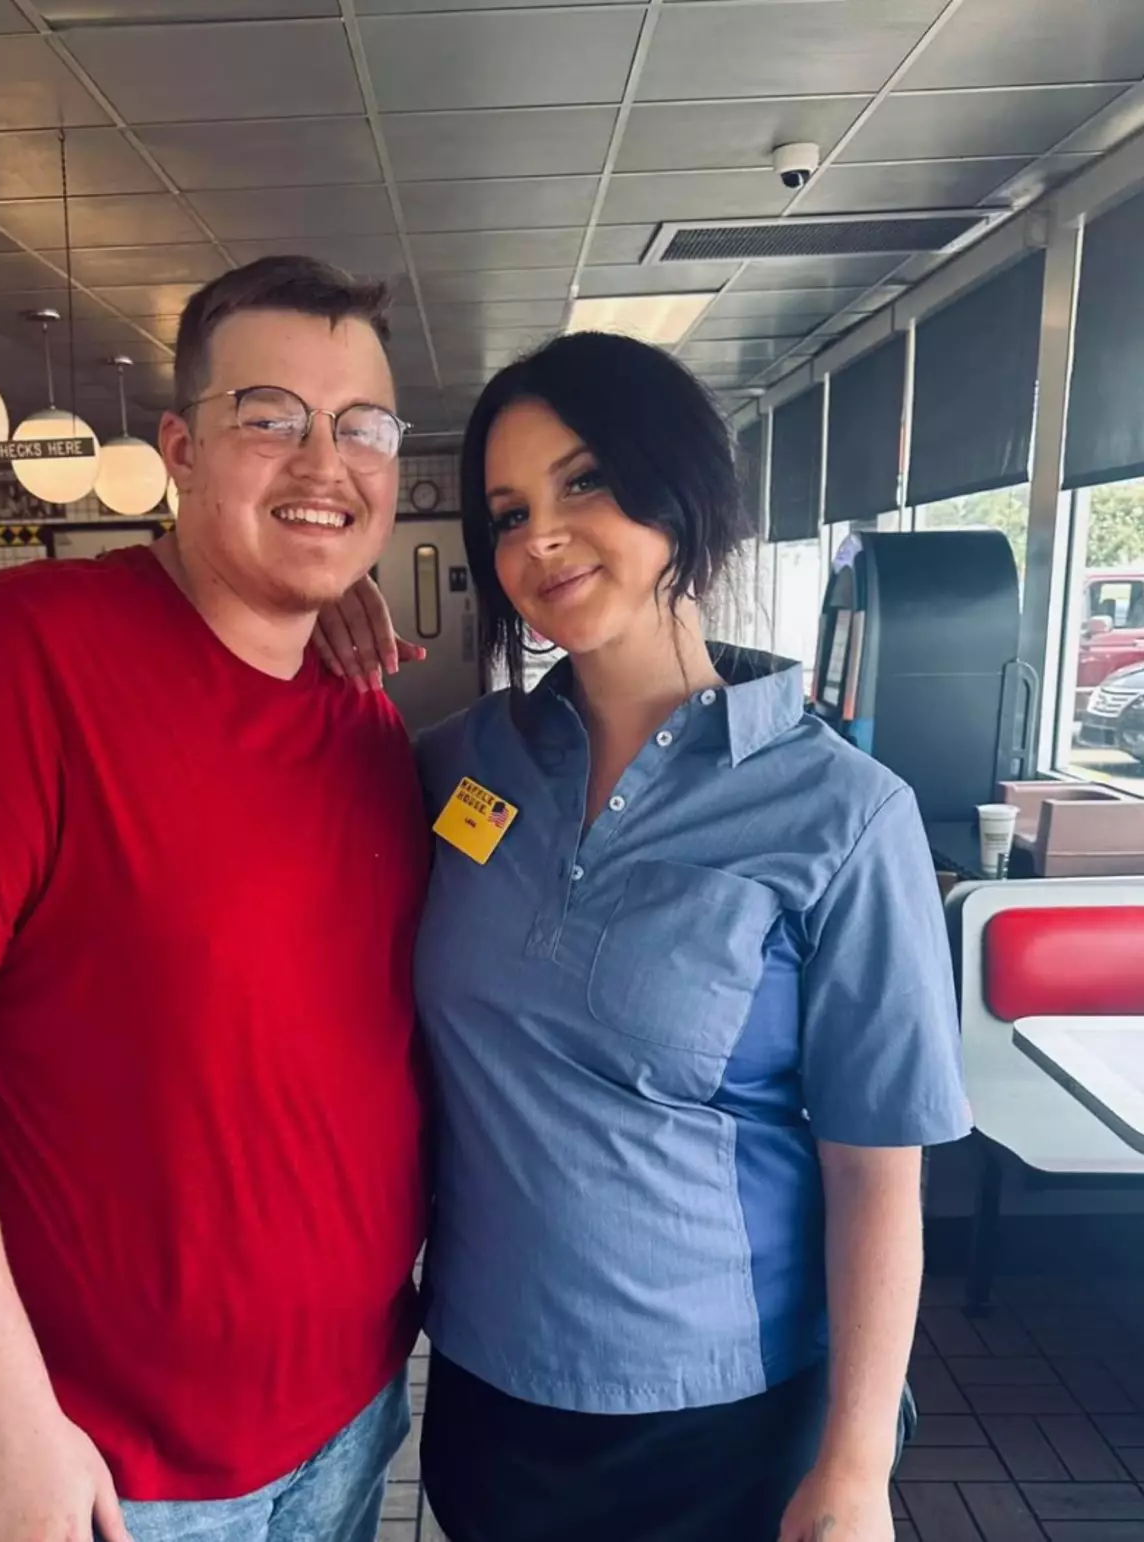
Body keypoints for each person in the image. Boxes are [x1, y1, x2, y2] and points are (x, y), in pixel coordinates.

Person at [0, 256, 429, 1542]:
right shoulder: (17, 655)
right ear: (183, 448)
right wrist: (18, 1421)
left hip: (352, 1413)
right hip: (108, 1465)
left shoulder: (362, 713)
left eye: (359, 428)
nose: (324, 462)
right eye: (271, 417)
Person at [318, 331, 971, 1542]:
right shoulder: (457, 765)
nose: (541, 538)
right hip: (488, 1397)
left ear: (685, 494)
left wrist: (856, 1464)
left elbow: (877, 1168)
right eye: (508, 513)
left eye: (584, 483)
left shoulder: (838, 813)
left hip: (722, 1422)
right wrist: (309, 612)